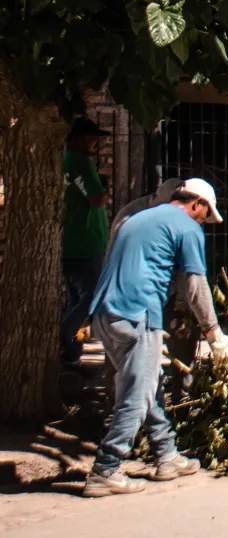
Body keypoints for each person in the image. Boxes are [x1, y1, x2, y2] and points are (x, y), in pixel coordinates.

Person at [82, 178, 228, 498]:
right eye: (205, 215)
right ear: (196, 204)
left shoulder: (137, 219)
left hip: (105, 313)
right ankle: (105, 469)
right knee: (136, 395)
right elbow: (194, 285)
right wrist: (214, 333)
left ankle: (166, 455)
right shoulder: (186, 227)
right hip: (137, 313)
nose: (203, 222)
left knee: (149, 383)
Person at [61, 117, 111, 365]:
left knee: (75, 299)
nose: (95, 144)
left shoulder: (64, 160)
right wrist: (104, 191)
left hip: (70, 242)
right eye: (91, 139)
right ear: (76, 138)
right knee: (91, 297)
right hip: (85, 243)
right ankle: (62, 339)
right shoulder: (80, 162)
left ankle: (70, 353)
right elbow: (97, 198)